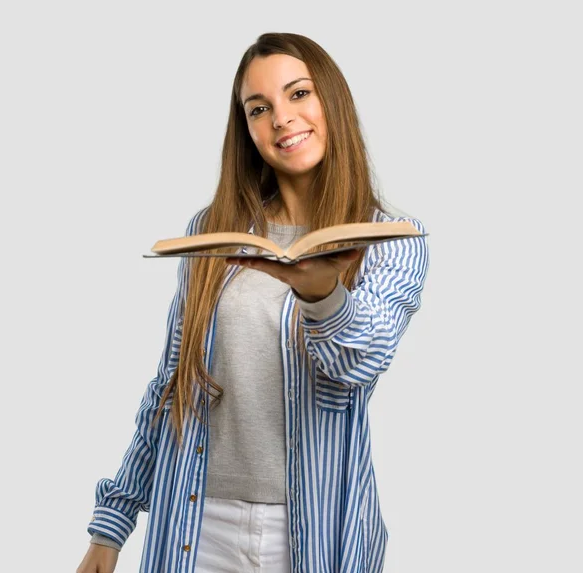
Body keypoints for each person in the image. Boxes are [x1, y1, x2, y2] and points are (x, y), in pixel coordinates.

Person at [77, 31, 430, 573]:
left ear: (330, 100)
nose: (282, 118)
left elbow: (358, 366)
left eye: (298, 94)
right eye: (259, 108)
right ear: (246, 129)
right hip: (196, 526)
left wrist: (322, 294)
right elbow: (174, 383)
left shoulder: (392, 239)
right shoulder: (212, 233)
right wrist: (112, 523)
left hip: (313, 535)